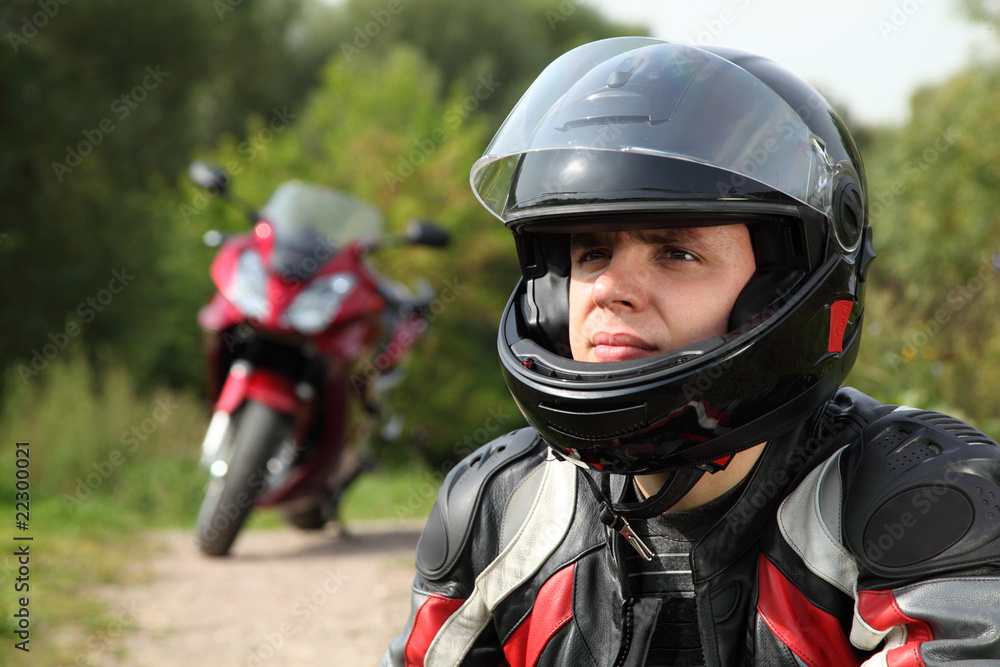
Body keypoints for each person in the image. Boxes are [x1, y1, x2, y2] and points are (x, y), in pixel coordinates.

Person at [379, 37, 1000, 666]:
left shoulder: (922, 501)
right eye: (591, 252)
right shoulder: (497, 508)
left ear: (786, 287)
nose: (610, 289)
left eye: (675, 253)